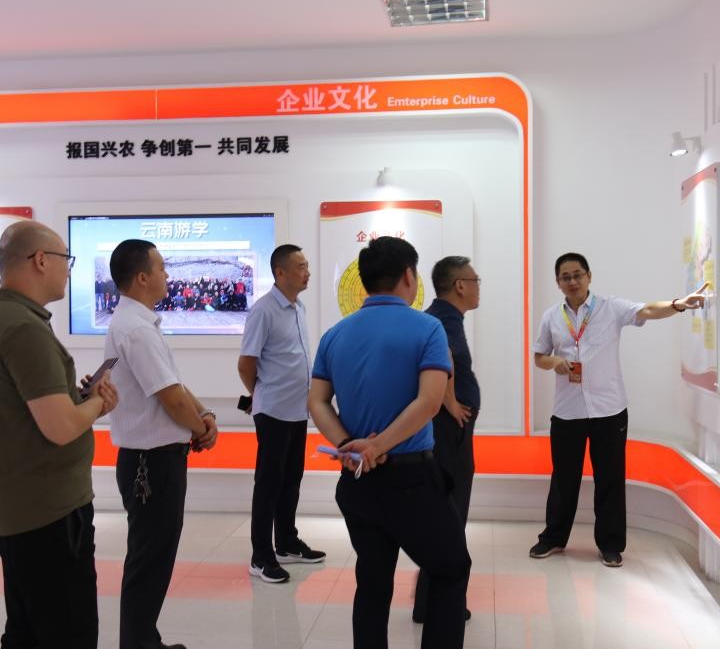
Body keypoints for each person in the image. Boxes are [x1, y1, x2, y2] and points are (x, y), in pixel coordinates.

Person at [308, 236, 471, 649]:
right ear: (408, 276)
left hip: (358, 482)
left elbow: (317, 401)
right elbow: (430, 401)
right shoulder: (428, 328)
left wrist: (350, 444)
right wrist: (377, 447)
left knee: (373, 579)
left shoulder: (335, 334)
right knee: (451, 569)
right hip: (412, 480)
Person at [0, 220, 118, 649]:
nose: (68, 269)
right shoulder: (24, 329)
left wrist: (77, 399)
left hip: (17, 506)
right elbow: (61, 427)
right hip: (48, 513)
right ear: (40, 260)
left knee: (28, 630)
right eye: (66, 259)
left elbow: (31, 410)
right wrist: (98, 403)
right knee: (67, 632)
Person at [529, 252, 707, 567]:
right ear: (558, 282)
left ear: (589, 276)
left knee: (610, 478)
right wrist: (554, 361)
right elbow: (539, 356)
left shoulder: (610, 308)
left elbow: (647, 310)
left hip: (609, 410)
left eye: (577, 274)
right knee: (564, 479)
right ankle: (553, 538)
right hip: (567, 412)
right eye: (565, 277)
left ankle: (610, 544)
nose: (572, 281)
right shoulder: (551, 317)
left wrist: (679, 304)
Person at [105, 239, 219, 649]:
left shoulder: (139, 324)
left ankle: (143, 640)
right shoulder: (136, 330)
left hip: (151, 461)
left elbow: (174, 385)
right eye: (162, 268)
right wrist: (201, 429)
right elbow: (170, 397)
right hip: (150, 464)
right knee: (148, 562)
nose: (167, 275)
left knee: (151, 558)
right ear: (142, 277)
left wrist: (204, 414)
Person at [238, 244, 325, 583]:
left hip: (297, 409)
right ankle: (260, 556)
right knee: (269, 484)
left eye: (307, 265)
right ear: (281, 272)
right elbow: (246, 363)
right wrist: (260, 393)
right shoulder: (264, 310)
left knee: (291, 480)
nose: (307, 272)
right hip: (273, 410)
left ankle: (286, 542)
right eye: (301, 266)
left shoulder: (298, 307)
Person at [413, 255, 481, 624]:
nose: (478, 287)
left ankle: (430, 600)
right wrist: (451, 401)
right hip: (448, 431)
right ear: (459, 285)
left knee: (444, 515)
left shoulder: (439, 316)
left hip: (446, 430)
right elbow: (447, 359)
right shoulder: (445, 319)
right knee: (451, 515)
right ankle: (439, 604)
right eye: (475, 280)